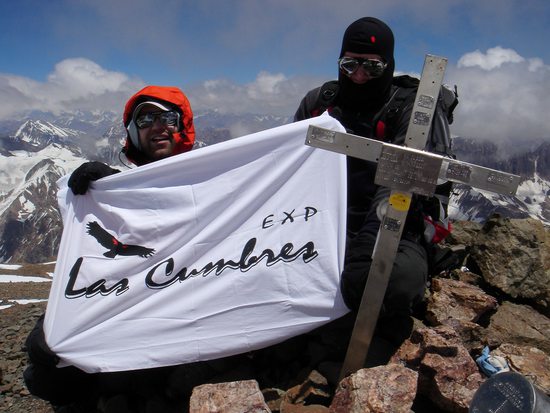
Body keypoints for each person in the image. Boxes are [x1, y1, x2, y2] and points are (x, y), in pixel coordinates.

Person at [23, 86, 251, 413]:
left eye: (169, 117)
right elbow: (96, 265)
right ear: (134, 131)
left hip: (191, 311)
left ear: (182, 126)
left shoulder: (213, 185)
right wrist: (106, 195)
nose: (159, 125)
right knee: (44, 368)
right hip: (130, 302)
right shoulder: (114, 194)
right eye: (146, 118)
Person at [294, 17, 455, 356]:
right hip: (324, 217)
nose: (359, 75)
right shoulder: (319, 102)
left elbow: (404, 182)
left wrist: (369, 246)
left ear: (389, 64)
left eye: (372, 66)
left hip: (397, 218)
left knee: (389, 281)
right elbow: (288, 163)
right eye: (349, 64)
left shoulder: (414, 107)